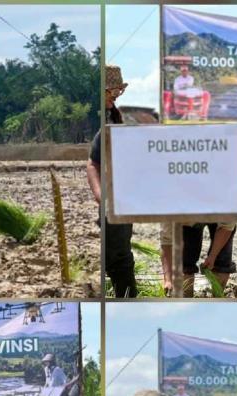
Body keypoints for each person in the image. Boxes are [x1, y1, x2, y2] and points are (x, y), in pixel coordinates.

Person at [87, 65, 138, 297]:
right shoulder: (102, 121)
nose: (116, 96)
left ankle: (125, 299)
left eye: (118, 91)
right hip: (112, 203)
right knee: (116, 259)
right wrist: (101, 196)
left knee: (119, 258)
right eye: (113, 91)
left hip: (124, 203)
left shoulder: (119, 120)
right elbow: (93, 162)